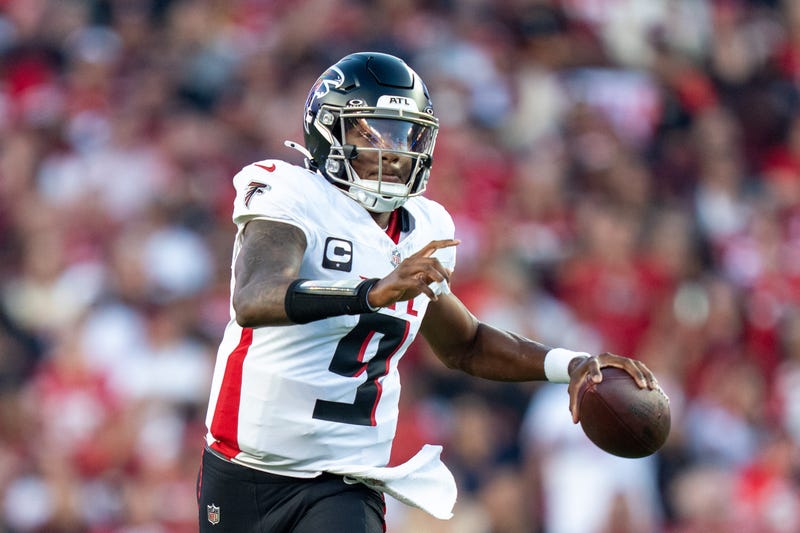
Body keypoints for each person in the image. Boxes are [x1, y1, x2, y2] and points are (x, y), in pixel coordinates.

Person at [196, 52, 660, 532]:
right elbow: (255, 297)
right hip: (244, 467)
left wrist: (571, 364)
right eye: (372, 132)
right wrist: (369, 294)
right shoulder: (290, 192)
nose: (394, 151)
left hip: (345, 480)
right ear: (329, 130)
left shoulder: (424, 228)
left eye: (406, 135)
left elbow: (466, 344)